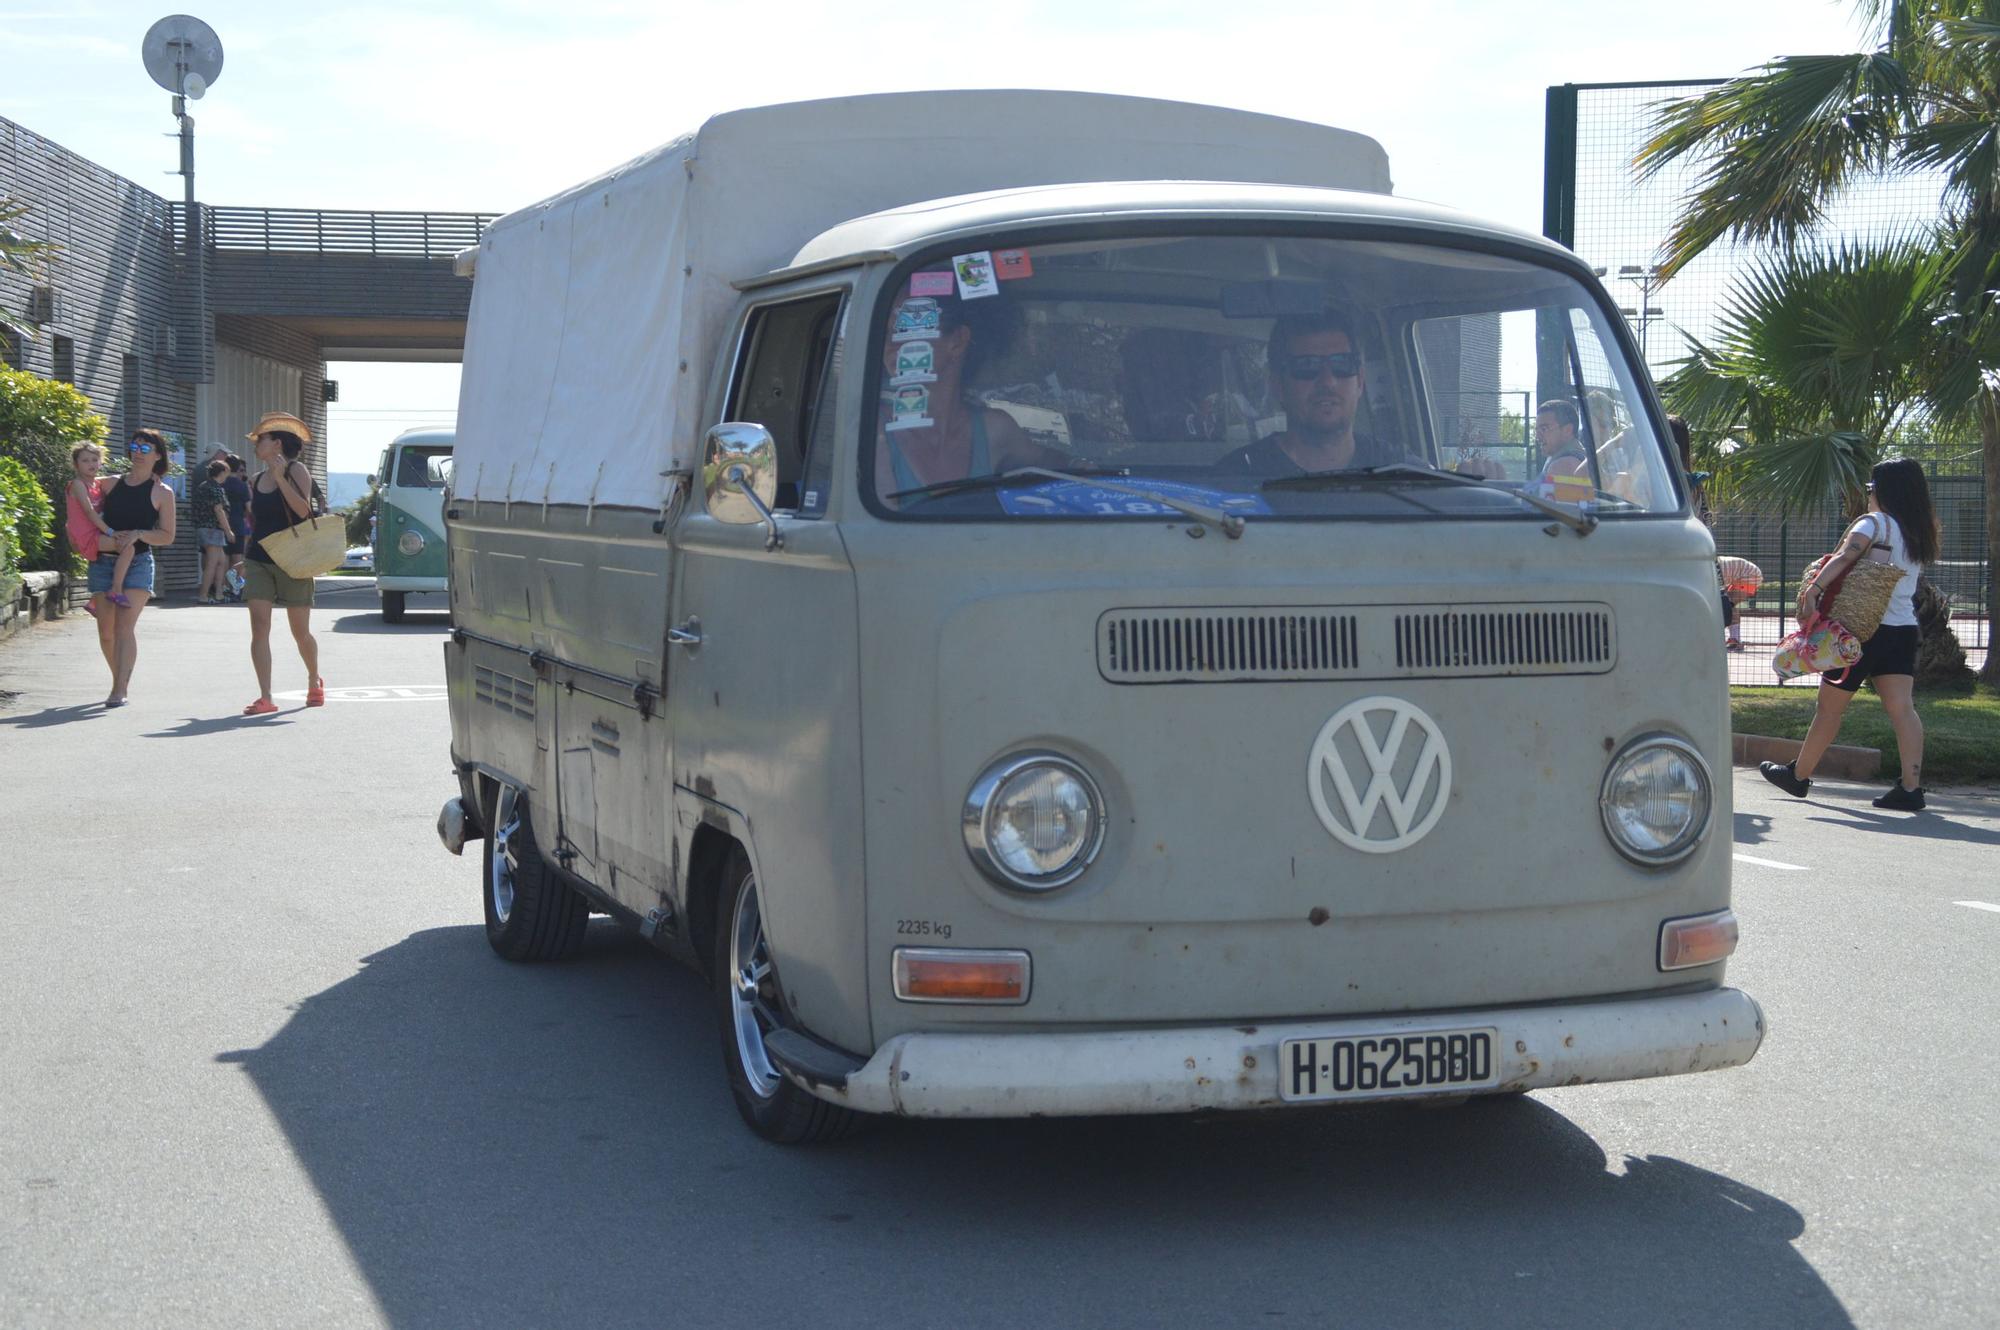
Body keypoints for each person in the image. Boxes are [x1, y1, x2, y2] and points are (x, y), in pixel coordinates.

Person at [1761, 458, 1940, 811]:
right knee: (1903, 709)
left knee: (1829, 708)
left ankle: (1798, 776)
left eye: (1871, 488)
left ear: (1884, 491)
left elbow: (1845, 555)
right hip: (1902, 630)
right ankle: (1911, 787)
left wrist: (1814, 588)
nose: (1869, 494)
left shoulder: (1874, 523)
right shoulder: (1919, 531)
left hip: (1858, 634)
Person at [873, 292, 1047, 502]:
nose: (889, 345)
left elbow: (1059, 466)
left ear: (957, 341)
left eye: (905, 330)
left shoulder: (995, 429)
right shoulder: (874, 435)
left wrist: (1079, 465)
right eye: (884, 334)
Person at [1216, 313, 1409, 475]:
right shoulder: (1236, 477)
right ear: (1278, 385)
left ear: (1360, 381)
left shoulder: (1400, 472)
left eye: (1341, 364)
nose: (1328, 381)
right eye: (1307, 366)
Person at [240, 411, 325, 715]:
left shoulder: (296, 470)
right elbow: (256, 522)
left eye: (260, 439)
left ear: (276, 443)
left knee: (299, 631)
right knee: (259, 628)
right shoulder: (255, 479)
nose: (255, 444)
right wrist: (242, 559)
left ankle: (314, 679)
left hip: (294, 560)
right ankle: (265, 696)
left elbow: (303, 511)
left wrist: (280, 478)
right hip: (259, 559)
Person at [90, 428, 177, 707]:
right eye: (134, 447)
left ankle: (119, 688)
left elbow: (167, 535)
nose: (137, 453)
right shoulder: (110, 484)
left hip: (138, 563)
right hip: (103, 562)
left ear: (158, 456)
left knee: (124, 627)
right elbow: (80, 486)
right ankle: (119, 676)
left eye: (144, 449)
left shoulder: (162, 493)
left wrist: (139, 534)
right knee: (106, 630)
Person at [64, 444, 120, 617]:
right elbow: (89, 512)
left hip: (96, 533)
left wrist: (152, 477)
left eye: (95, 460)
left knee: (121, 557)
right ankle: (114, 591)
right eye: (85, 460)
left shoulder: (96, 483)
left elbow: (120, 478)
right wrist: (110, 532)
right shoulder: (78, 485)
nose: (91, 464)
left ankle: (95, 601)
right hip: (86, 535)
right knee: (125, 545)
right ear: (76, 465)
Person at [192, 457, 235, 603]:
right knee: (213, 562)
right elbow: (219, 510)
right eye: (227, 471)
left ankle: (218, 593)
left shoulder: (203, 485)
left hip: (204, 528)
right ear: (222, 471)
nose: (228, 475)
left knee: (221, 561)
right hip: (213, 528)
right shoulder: (216, 488)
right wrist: (228, 531)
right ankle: (203, 595)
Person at [1534, 399, 1593, 494]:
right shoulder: (1569, 457)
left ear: (1568, 430)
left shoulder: (1564, 464)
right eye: (1537, 431)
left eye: (1544, 429)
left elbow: (1552, 508)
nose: (1538, 437)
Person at [223, 452, 251, 600]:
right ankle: (238, 588)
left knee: (225, 559)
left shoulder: (221, 483)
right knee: (238, 559)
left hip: (223, 524)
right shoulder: (242, 486)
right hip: (238, 524)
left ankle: (224, 588)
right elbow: (249, 507)